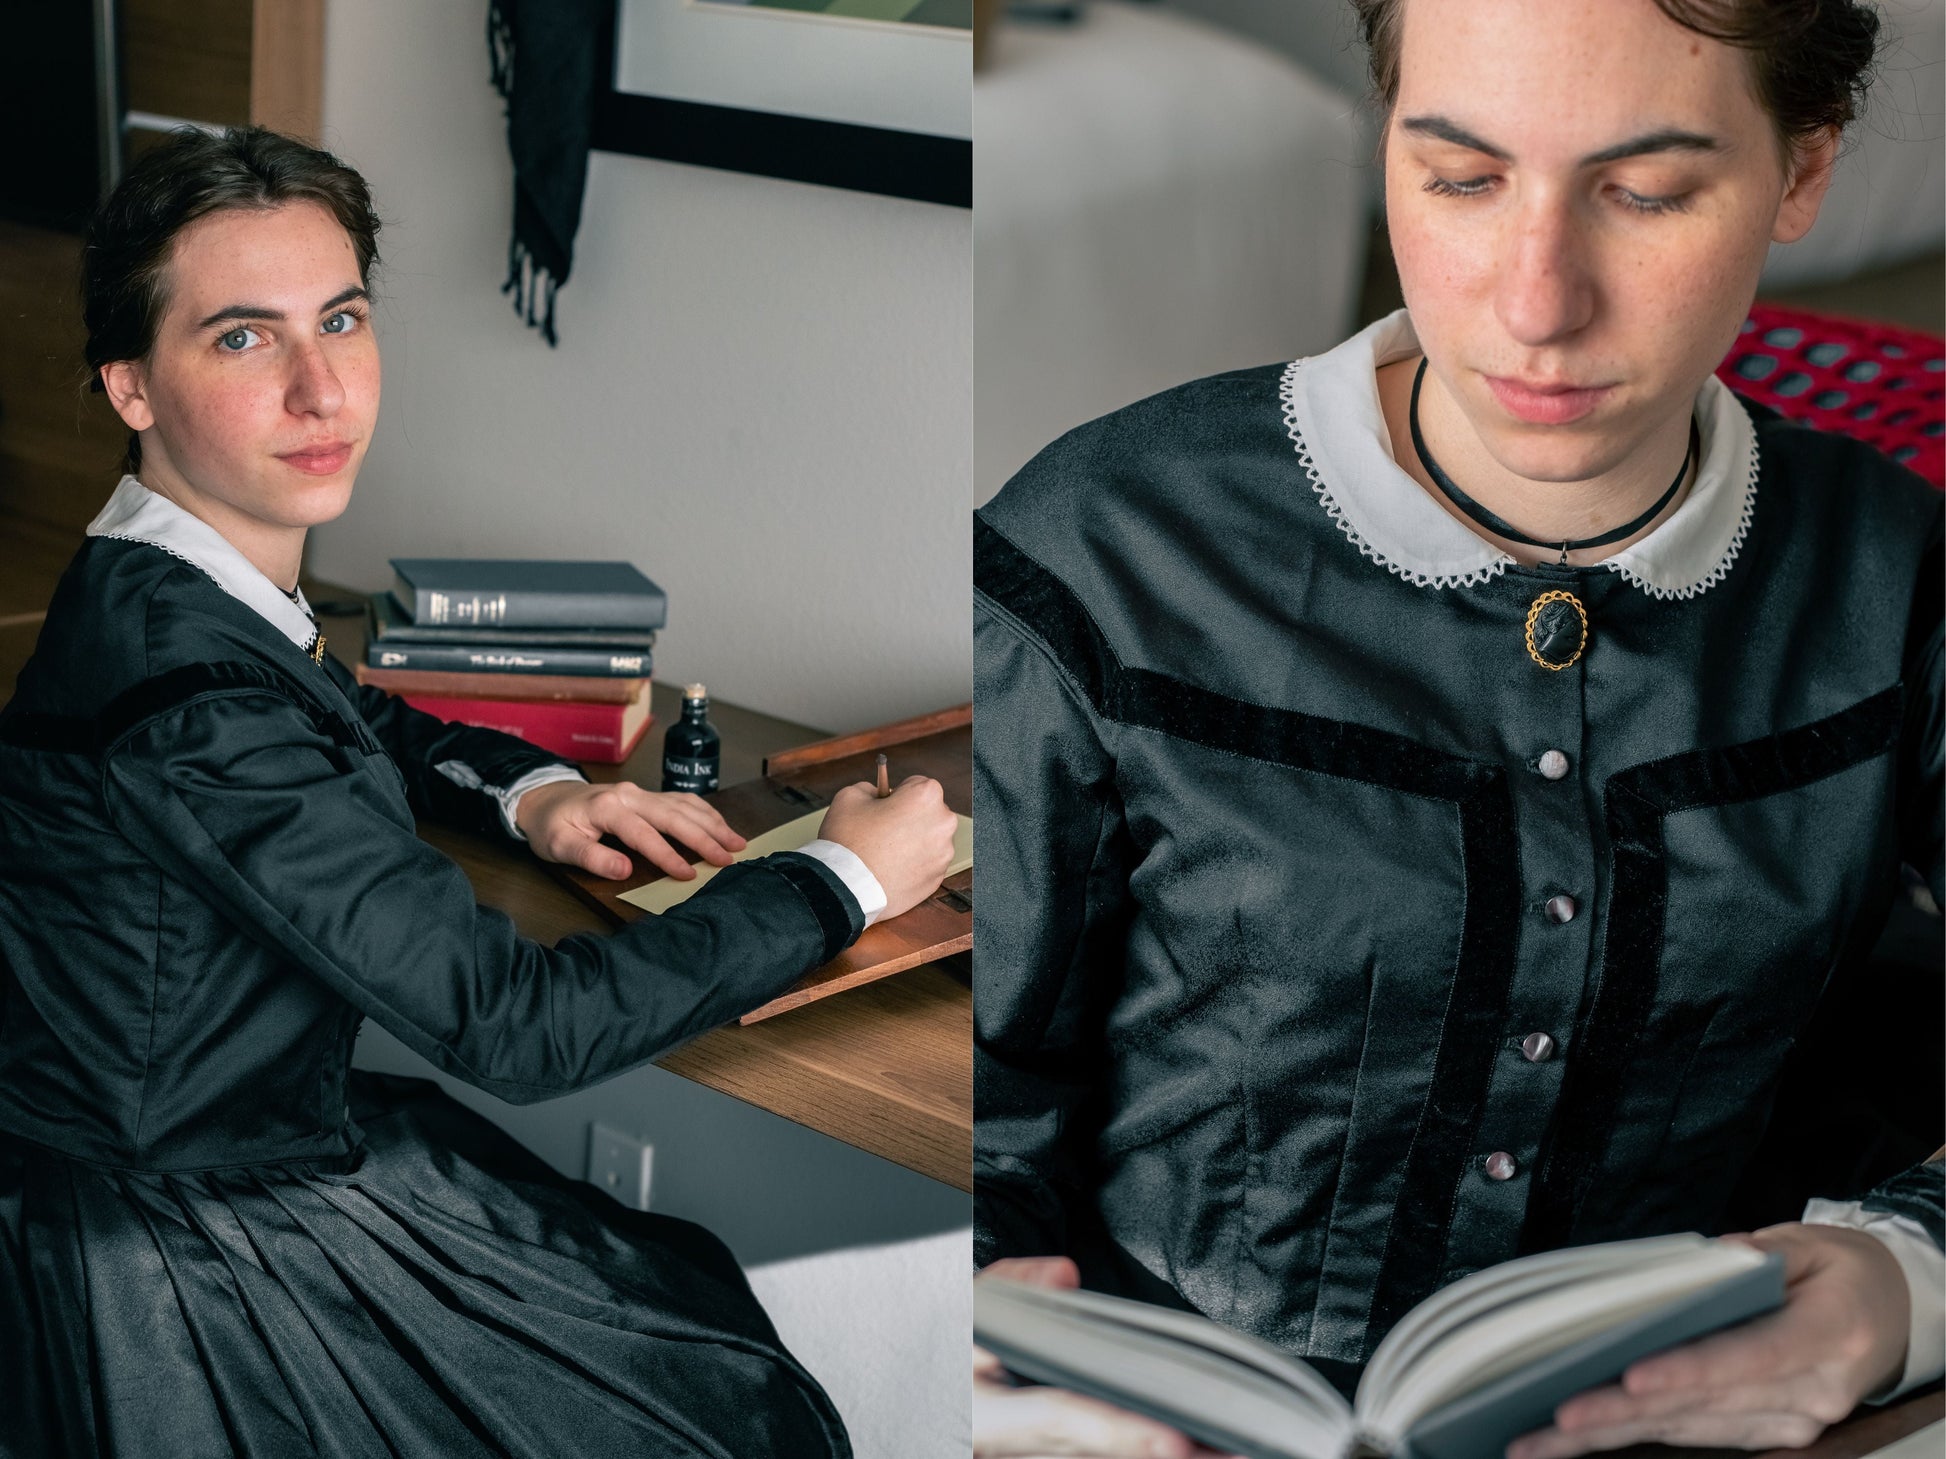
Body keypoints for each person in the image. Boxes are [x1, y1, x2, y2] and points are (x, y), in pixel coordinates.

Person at [971, 0, 1943, 1454]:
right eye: (1458, 176)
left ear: (1801, 171)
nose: (1535, 304)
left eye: (1645, 191)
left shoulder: (1895, 579)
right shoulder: (1102, 551)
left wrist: (1900, 1284)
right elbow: (975, 1101)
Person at [0, 125, 960, 1458]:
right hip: (175, 1263)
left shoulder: (157, 584)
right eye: (240, 338)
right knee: (715, 1412)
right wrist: (842, 879)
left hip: (172, 1161)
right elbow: (512, 1030)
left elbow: (338, 711)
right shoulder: (193, 701)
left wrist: (537, 797)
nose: (322, 390)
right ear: (132, 387)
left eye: (339, 319)